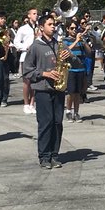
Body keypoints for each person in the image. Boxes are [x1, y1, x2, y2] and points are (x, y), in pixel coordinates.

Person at [22, 14, 66, 169]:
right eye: (50, 24)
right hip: (43, 89)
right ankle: (44, 156)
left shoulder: (59, 44)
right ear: (41, 27)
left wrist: (71, 57)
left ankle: (55, 154)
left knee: (57, 123)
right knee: (45, 123)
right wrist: (44, 73)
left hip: (59, 89)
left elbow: (74, 61)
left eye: (54, 24)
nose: (53, 27)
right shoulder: (35, 46)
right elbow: (27, 71)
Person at [13, 8, 40, 114]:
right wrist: (26, 47)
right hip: (26, 56)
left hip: (37, 57)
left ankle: (32, 104)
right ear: (28, 15)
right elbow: (16, 42)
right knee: (26, 82)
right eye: (34, 14)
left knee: (35, 82)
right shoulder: (23, 29)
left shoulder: (39, 27)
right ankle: (26, 104)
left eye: (37, 14)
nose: (36, 15)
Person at [61, 20, 88, 122]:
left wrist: (83, 42)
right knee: (71, 92)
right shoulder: (65, 40)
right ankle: (68, 111)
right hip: (71, 69)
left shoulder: (81, 40)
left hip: (80, 69)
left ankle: (76, 112)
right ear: (67, 29)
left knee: (78, 93)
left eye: (75, 28)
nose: (74, 30)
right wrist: (76, 41)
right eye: (71, 28)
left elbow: (89, 52)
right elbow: (66, 51)